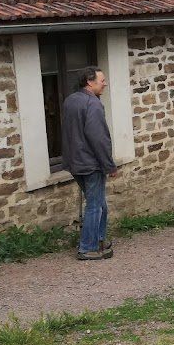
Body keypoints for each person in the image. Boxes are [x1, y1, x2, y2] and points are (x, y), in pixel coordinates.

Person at [61, 66, 118, 261]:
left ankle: (99, 239)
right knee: (95, 205)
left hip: (74, 162)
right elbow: (99, 138)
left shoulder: (70, 100)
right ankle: (87, 247)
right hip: (90, 163)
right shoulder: (92, 104)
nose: (105, 83)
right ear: (89, 82)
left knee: (100, 203)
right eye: (102, 80)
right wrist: (109, 165)